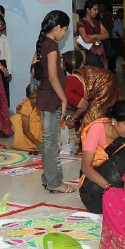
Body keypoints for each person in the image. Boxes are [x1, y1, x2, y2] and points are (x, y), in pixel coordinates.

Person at [35, 10, 75, 194]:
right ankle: (54, 182)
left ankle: (47, 178)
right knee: (51, 141)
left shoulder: (44, 42)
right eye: (65, 29)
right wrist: (64, 98)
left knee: (49, 140)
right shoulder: (51, 46)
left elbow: (34, 66)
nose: (65, 33)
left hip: (46, 95)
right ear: (57, 27)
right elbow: (52, 76)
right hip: (51, 98)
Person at [79, 100, 125, 214]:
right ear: (113, 121)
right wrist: (108, 188)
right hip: (95, 190)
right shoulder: (97, 129)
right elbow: (86, 167)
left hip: (119, 188)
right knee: (120, 158)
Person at [64, 49, 122, 131]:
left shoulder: (64, 92)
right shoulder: (57, 84)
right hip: (94, 78)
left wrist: (71, 120)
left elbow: (83, 105)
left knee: (89, 124)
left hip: (104, 83)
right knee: (83, 118)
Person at [11, 83, 43, 154]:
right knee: (17, 119)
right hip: (28, 129)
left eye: (36, 97)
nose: (34, 100)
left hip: (40, 126)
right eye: (32, 98)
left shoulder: (42, 101)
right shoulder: (26, 106)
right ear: (28, 97)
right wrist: (38, 143)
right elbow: (26, 130)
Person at [77, 0, 109, 67]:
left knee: (102, 73)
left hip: (100, 52)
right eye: (95, 9)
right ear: (88, 10)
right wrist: (98, 39)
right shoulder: (81, 23)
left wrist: (94, 36)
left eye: (97, 9)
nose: (97, 12)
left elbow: (106, 35)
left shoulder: (97, 22)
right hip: (89, 53)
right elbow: (86, 40)